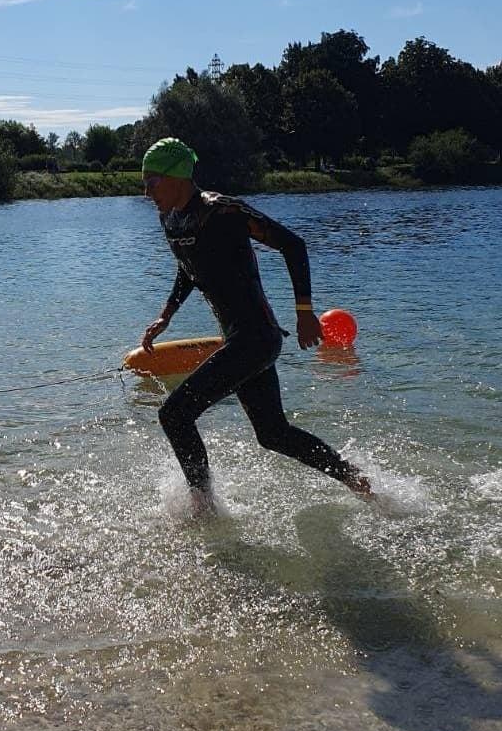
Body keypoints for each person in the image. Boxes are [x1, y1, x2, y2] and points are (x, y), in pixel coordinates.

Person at [140, 138, 374, 515]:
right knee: (273, 434)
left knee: (174, 414)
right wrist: (166, 315)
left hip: (257, 339)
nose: (146, 191)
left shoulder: (222, 212)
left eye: (152, 182)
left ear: (177, 176)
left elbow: (293, 245)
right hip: (240, 340)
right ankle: (353, 477)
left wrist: (304, 311)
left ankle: (204, 507)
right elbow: (188, 268)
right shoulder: (171, 219)